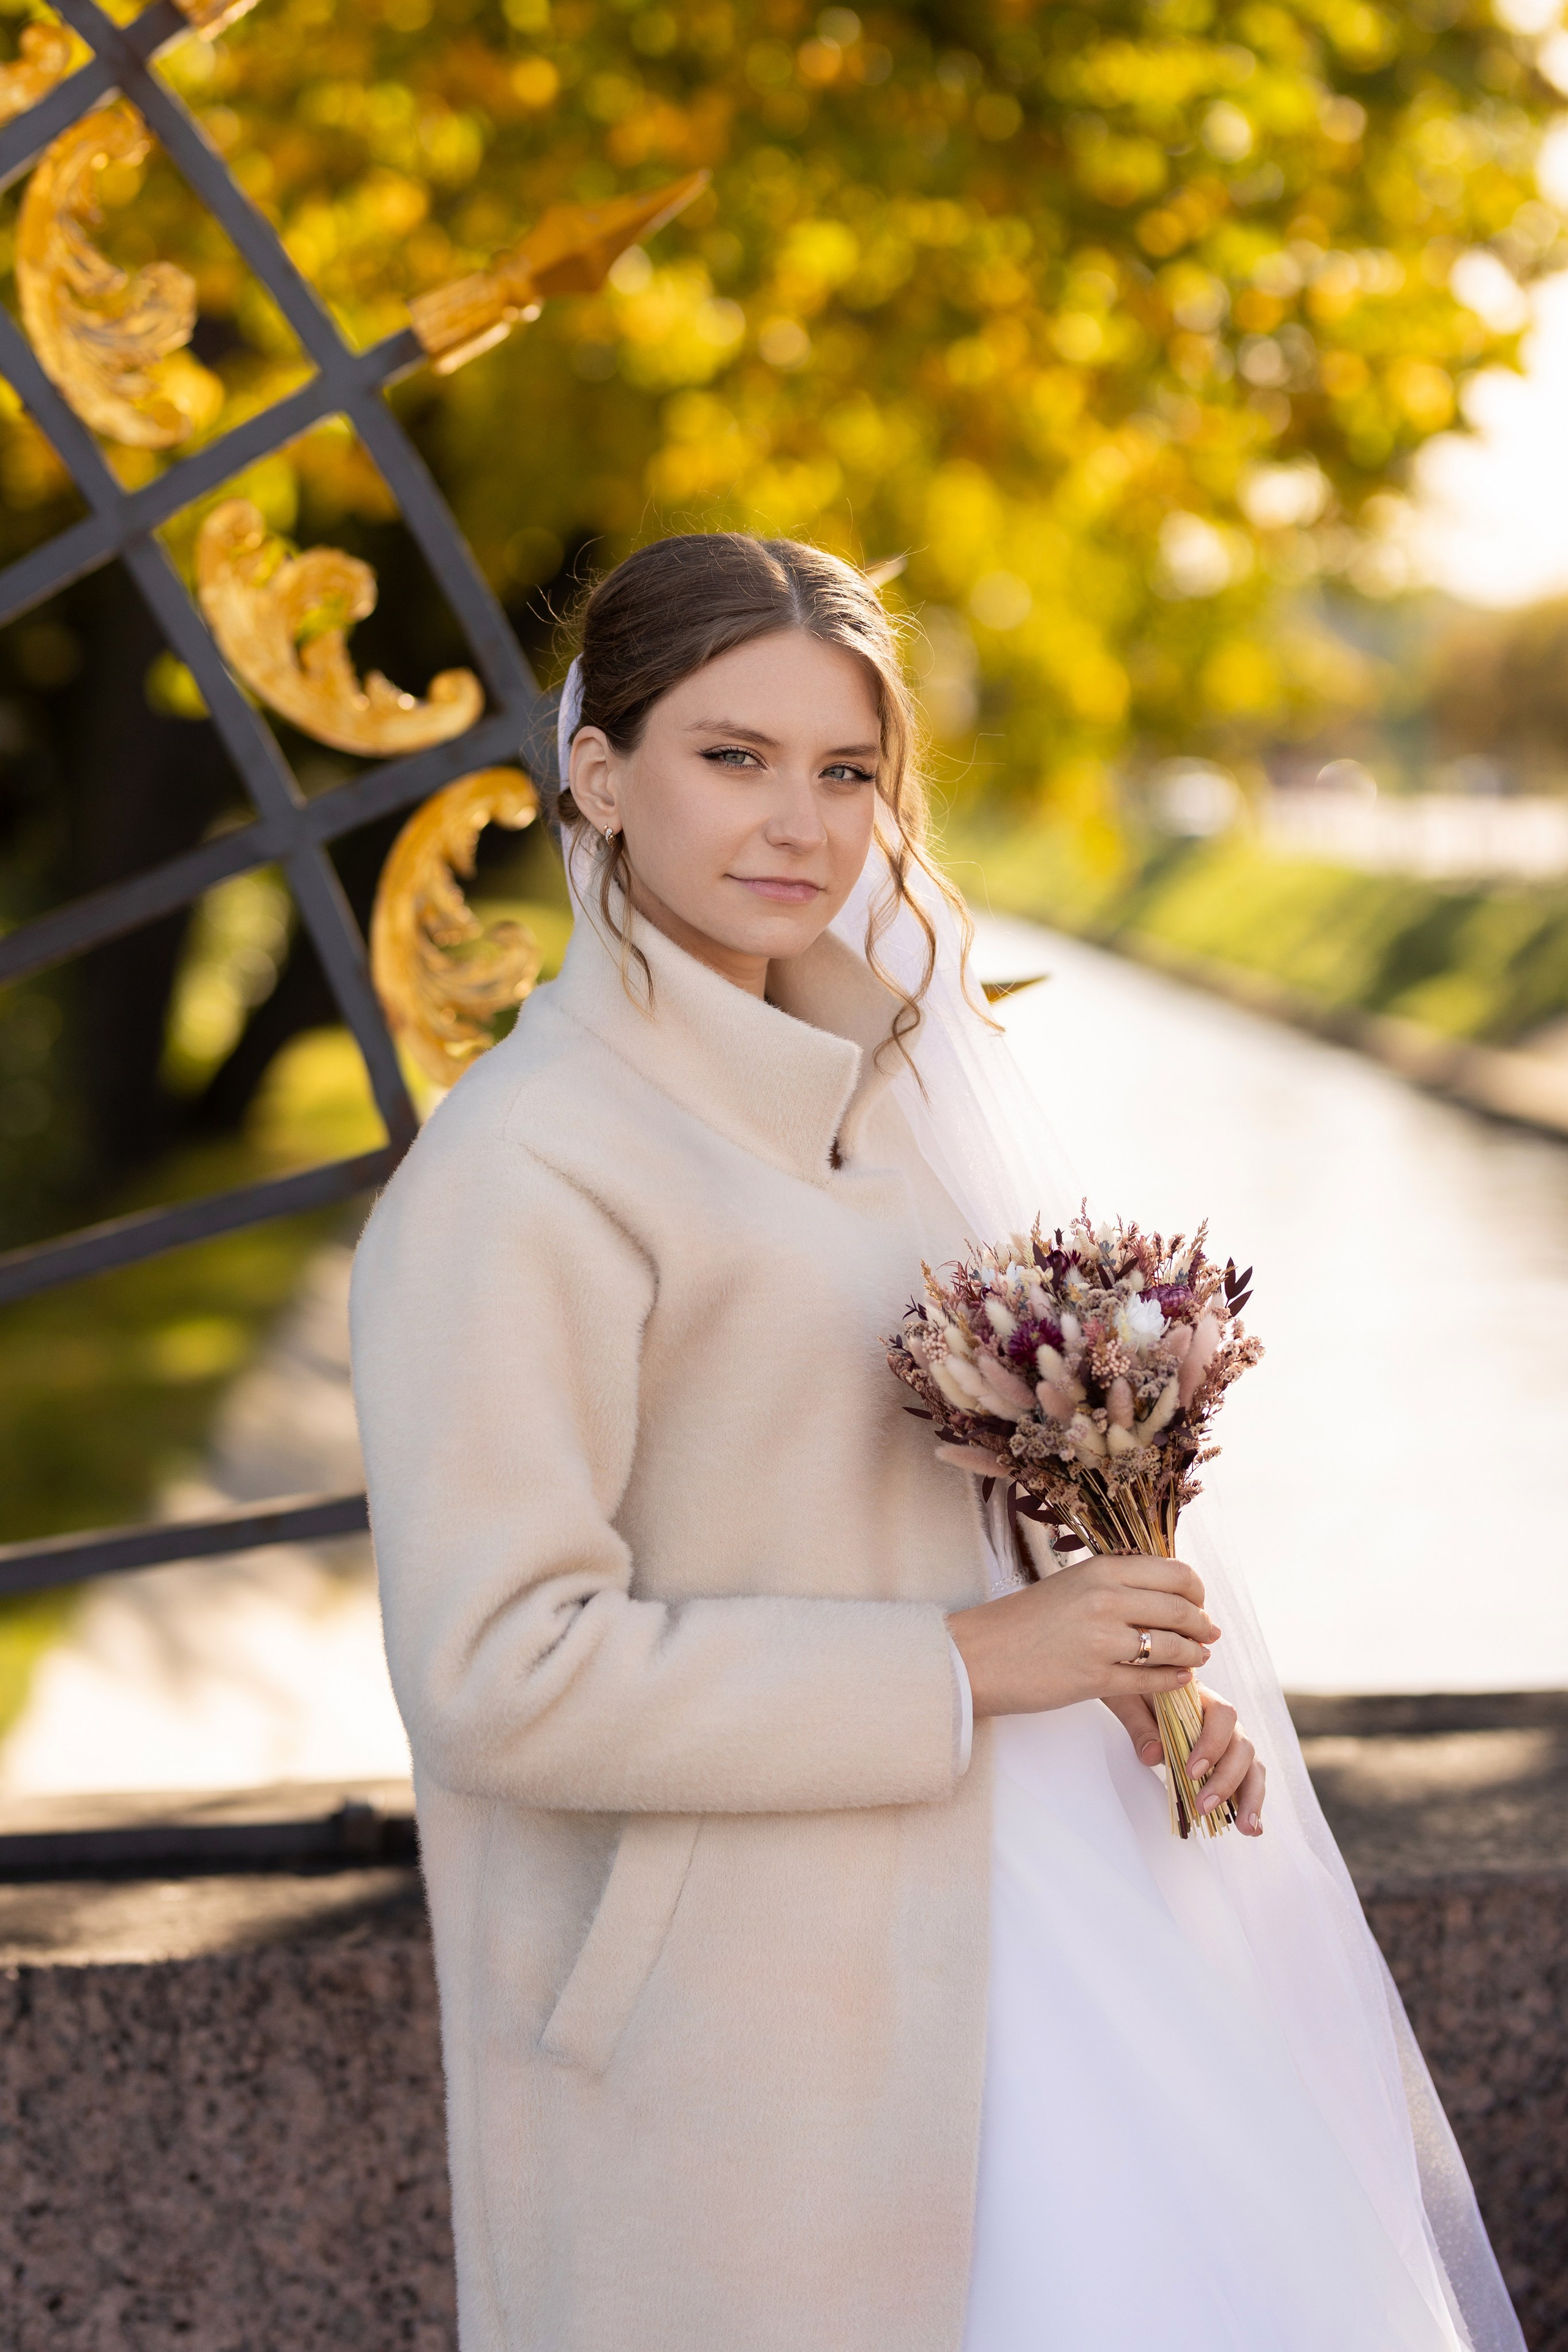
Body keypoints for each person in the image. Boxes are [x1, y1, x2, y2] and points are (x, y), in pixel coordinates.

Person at [349, 531, 1522, 2352]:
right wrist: (983, 1659)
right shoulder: (521, 1173)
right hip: (760, 2026)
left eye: (845, 771)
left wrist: (1127, 1658)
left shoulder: (886, 1114)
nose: (795, 824)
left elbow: (932, 1520)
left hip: (1045, 1922)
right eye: (731, 758)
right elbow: (500, 1674)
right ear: (601, 774)